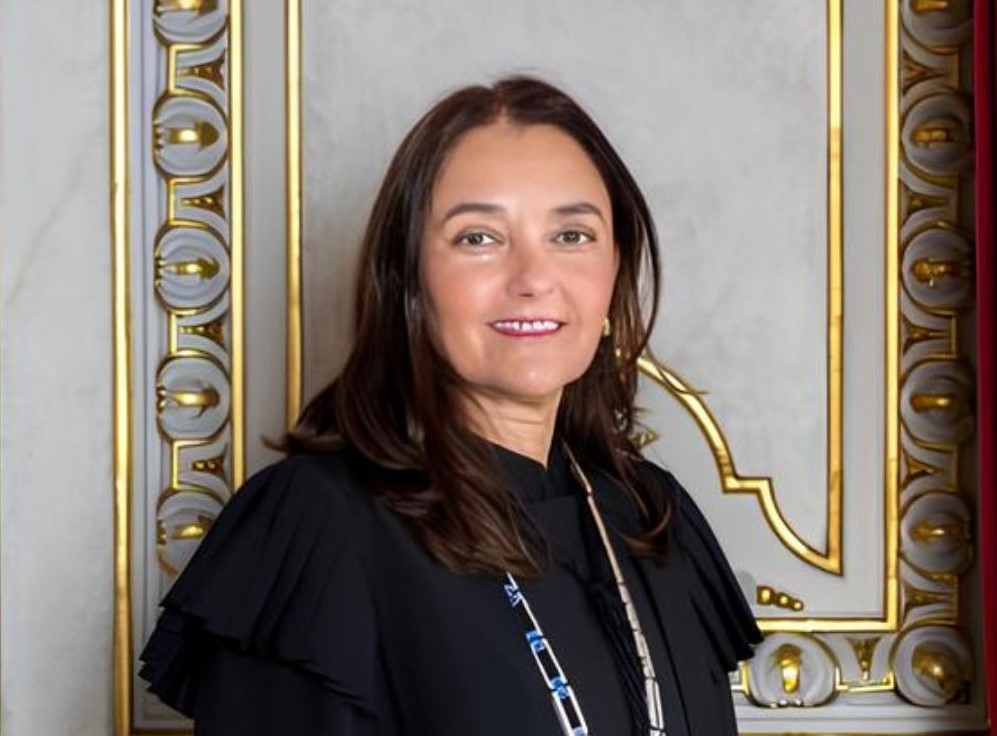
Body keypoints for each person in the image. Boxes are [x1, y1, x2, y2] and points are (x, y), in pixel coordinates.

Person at [139, 75, 762, 736]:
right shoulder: (317, 527)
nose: (533, 278)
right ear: (409, 279)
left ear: (615, 270)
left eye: (572, 235)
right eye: (478, 238)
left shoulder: (654, 519)